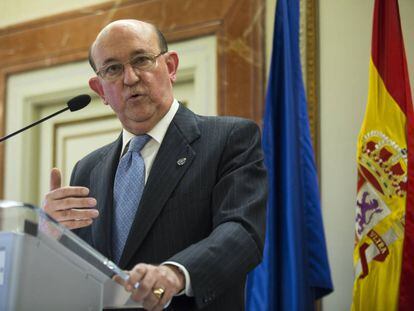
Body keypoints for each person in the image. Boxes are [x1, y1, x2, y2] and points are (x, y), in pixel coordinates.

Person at [43, 19, 267, 311]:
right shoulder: (87, 169)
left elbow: (242, 232)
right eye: (113, 69)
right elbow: (82, 269)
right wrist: (49, 235)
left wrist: (174, 273)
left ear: (171, 67)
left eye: (142, 60)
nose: (130, 78)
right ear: (100, 89)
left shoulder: (229, 139)